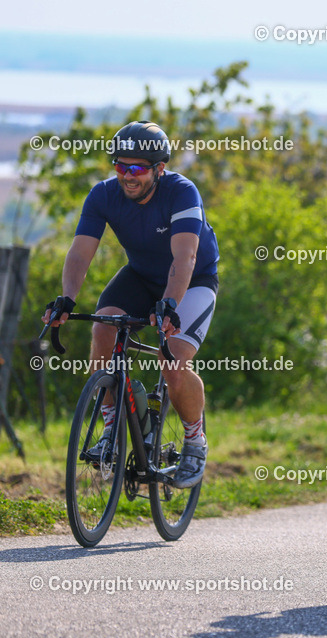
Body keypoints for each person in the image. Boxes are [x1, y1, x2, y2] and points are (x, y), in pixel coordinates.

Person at [42, 120, 219, 489]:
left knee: (172, 361)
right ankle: (112, 427)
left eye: (137, 168)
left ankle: (195, 438)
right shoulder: (103, 195)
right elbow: (80, 253)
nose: (128, 176)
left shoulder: (182, 192)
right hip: (140, 276)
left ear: (160, 168)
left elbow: (185, 258)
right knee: (103, 326)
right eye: (121, 166)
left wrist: (170, 303)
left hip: (192, 281)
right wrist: (67, 299)